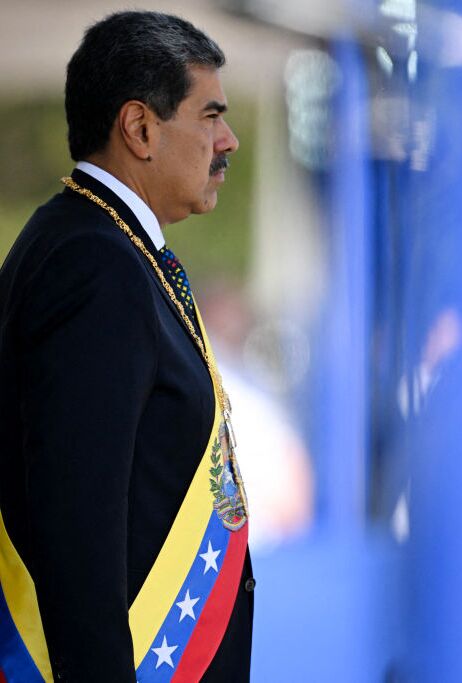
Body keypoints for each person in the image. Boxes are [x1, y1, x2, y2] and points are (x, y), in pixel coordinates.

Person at [0, 11, 254, 681]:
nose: (228, 140)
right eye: (209, 115)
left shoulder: (105, 245)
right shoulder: (95, 263)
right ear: (140, 128)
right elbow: (77, 529)